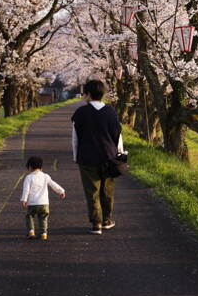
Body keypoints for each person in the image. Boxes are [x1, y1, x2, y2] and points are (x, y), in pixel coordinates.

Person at [71, 79, 124, 235]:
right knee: (107, 190)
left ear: (87, 94)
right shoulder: (111, 112)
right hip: (109, 157)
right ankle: (107, 220)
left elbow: (75, 138)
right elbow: (117, 136)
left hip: (87, 158)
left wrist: (76, 156)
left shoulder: (80, 113)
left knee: (92, 191)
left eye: (84, 93)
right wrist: (120, 154)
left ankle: (96, 224)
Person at [21, 155, 66, 240]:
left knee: (29, 216)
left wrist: (24, 200)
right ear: (41, 167)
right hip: (44, 203)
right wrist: (61, 191)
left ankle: (31, 231)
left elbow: (26, 190)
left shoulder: (29, 177)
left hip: (32, 203)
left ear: (29, 167)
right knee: (43, 218)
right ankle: (43, 233)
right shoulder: (46, 176)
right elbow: (53, 185)